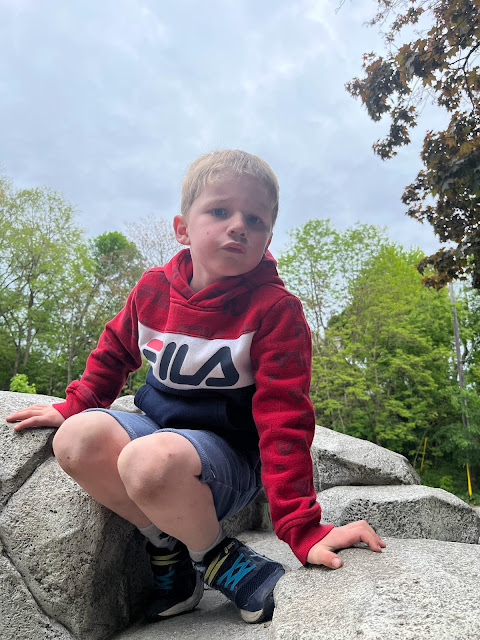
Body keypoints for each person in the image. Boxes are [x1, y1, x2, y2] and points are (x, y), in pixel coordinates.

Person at [6, 149, 385, 624]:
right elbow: (114, 351)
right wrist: (75, 403)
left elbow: (285, 420)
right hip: (158, 432)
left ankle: (217, 556)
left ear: (267, 238)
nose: (238, 226)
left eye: (255, 219)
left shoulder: (275, 311)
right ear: (183, 228)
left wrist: (301, 528)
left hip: (227, 459)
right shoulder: (153, 290)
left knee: (151, 461)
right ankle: (169, 551)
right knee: (76, 438)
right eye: (220, 211)